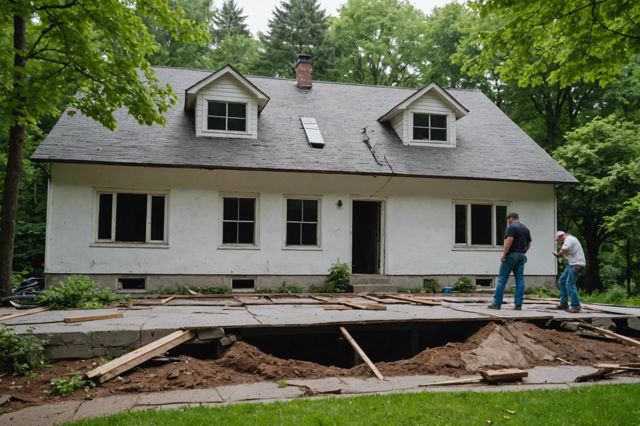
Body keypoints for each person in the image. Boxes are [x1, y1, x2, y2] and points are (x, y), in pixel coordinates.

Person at [488, 212, 532, 310]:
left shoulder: (511, 227)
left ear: (511, 218)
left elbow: (509, 240)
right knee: (520, 280)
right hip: (521, 256)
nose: (508, 221)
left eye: (508, 219)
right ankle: (518, 304)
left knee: (502, 279)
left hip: (511, 255)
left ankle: (497, 303)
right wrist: (523, 252)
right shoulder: (525, 229)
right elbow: (529, 243)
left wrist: (504, 254)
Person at [554, 231, 586, 313]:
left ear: (561, 236)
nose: (559, 242)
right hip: (572, 264)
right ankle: (564, 304)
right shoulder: (571, 239)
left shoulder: (569, 239)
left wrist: (558, 254)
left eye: (558, 240)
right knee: (561, 281)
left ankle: (576, 305)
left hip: (577, 264)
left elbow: (564, 249)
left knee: (570, 284)